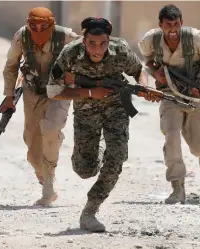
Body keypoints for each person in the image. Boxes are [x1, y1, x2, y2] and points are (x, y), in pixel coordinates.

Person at [46, 17, 160, 232]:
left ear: (109, 40)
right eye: (92, 44)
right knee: (84, 170)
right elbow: (53, 91)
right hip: (86, 112)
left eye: (103, 43)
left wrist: (144, 87)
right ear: (83, 40)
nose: (97, 50)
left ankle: (90, 210)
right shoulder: (70, 54)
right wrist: (90, 92)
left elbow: (138, 70)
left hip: (117, 108)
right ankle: (96, 150)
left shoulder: (121, 50)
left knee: (116, 158)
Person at [138, 4, 200, 204]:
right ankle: (177, 187)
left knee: (196, 147)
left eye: (176, 24)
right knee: (171, 135)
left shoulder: (195, 39)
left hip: (194, 94)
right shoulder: (151, 40)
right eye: (168, 25)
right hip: (168, 93)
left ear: (182, 23)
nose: (172, 30)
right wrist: (154, 72)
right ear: (160, 25)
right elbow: (145, 57)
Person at [1, 7, 80, 206]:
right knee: (32, 142)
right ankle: (43, 174)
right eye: (33, 25)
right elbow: (11, 65)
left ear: (52, 24)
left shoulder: (65, 36)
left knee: (51, 129)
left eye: (43, 26)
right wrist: (8, 95)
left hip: (60, 92)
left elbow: (88, 55)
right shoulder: (22, 36)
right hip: (32, 91)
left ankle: (49, 183)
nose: (38, 29)